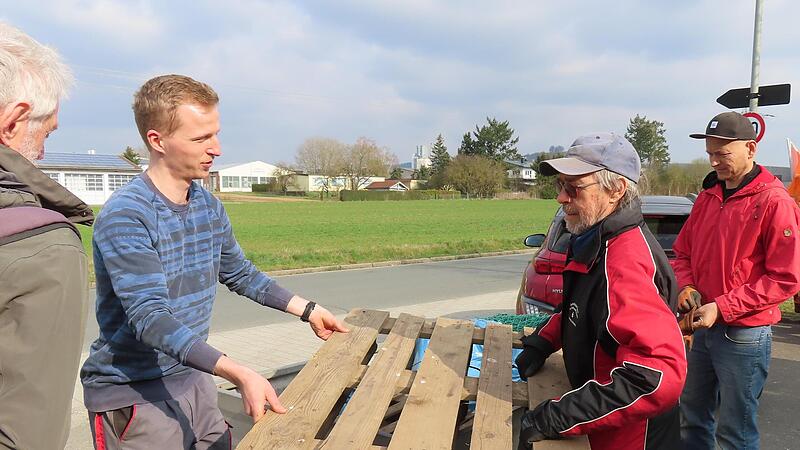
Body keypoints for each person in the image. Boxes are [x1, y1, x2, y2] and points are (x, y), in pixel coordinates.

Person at [80, 74, 349, 449]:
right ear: (157, 141)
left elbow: (239, 272)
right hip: (135, 396)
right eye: (201, 138)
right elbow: (149, 318)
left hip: (194, 378)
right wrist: (238, 371)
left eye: (216, 134)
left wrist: (308, 310)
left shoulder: (208, 205)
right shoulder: (127, 215)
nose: (217, 148)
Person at [515, 133, 687, 450]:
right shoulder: (593, 240)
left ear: (615, 190)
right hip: (600, 424)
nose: (561, 198)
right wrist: (543, 340)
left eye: (574, 188)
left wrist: (559, 415)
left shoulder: (625, 264)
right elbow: (578, 307)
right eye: (559, 186)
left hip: (629, 437)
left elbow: (654, 378)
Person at [675, 111, 800, 450]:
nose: (715, 162)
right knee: (692, 417)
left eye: (722, 154)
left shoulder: (774, 202)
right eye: (711, 154)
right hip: (700, 330)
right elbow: (682, 253)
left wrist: (723, 307)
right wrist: (686, 286)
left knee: (736, 431)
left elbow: (786, 279)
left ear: (751, 148)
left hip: (744, 335)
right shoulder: (707, 197)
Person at [0, 23, 94, 449]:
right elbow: (26, 435)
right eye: (46, 133)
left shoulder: (205, 206)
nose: (44, 152)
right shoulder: (42, 246)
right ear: (13, 121)